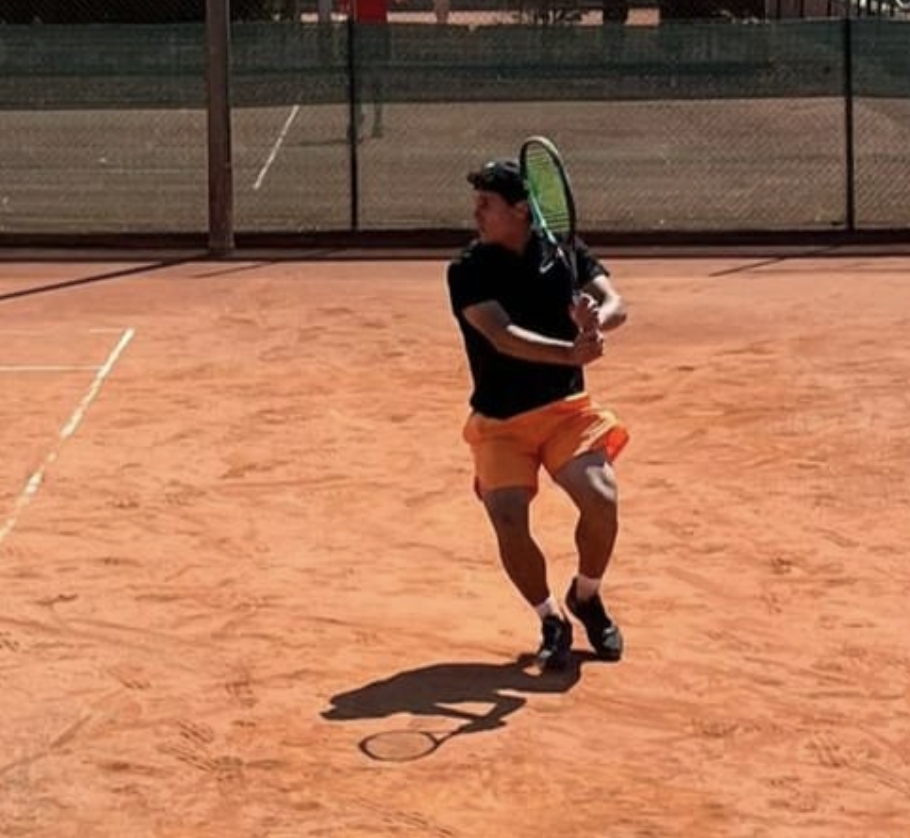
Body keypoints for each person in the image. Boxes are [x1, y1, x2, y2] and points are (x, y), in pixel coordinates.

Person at [446, 158, 630, 672]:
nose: (476, 214)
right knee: (508, 518)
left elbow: (616, 304)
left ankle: (586, 597)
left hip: (565, 412)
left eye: (487, 204)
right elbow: (500, 334)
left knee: (601, 499)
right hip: (500, 423)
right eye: (477, 203)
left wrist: (596, 323)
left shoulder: (565, 252)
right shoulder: (467, 268)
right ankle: (551, 618)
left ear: (521, 210)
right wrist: (570, 352)